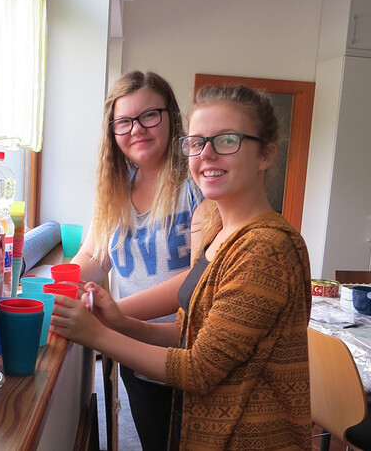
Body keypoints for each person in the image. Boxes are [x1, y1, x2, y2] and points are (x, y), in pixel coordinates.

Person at [53, 84, 312, 450]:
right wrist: (121, 322)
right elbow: (191, 329)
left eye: (226, 141)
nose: (207, 155)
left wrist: (98, 334)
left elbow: (199, 368)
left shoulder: (264, 249)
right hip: (203, 420)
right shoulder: (219, 235)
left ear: (265, 155)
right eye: (198, 143)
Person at [71, 70, 204, 450]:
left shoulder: (195, 184)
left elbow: (198, 280)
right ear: (112, 131)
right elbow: (93, 259)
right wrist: (53, 286)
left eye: (149, 115)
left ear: (170, 117)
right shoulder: (114, 186)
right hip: (137, 356)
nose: (137, 129)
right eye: (124, 121)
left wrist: (116, 313)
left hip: (189, 351)